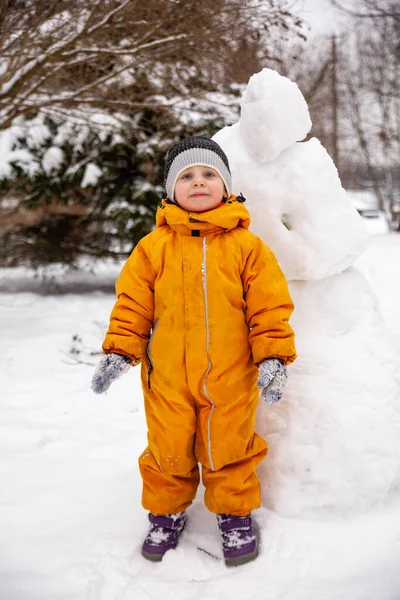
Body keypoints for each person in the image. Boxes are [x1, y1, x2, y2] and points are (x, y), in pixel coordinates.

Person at [91, 136, 296, 567]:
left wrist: (273, 356)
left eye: (209, 174)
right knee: (167, 449)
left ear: (226, 187)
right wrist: (120, 350)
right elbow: (132, 304)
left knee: (230, 448)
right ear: (170, 190)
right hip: (166, 378)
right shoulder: (153, 248)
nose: (198, 182)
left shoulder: (247, 248)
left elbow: (269, 306)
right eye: (187, 175)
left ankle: (234, 514)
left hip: (231, 377)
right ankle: (165, 513)